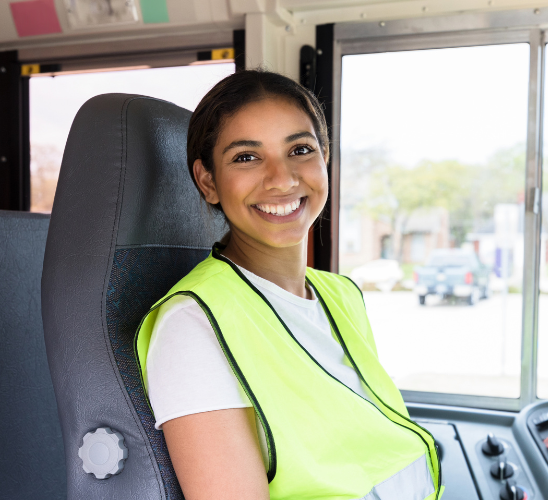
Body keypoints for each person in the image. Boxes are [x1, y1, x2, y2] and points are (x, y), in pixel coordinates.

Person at [134, 70, 442, 500]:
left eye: (299, 149)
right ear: (208, 181)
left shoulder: (341, 295)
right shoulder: (193, 325)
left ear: (325, 157)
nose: (282, 178)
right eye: (246, 157)